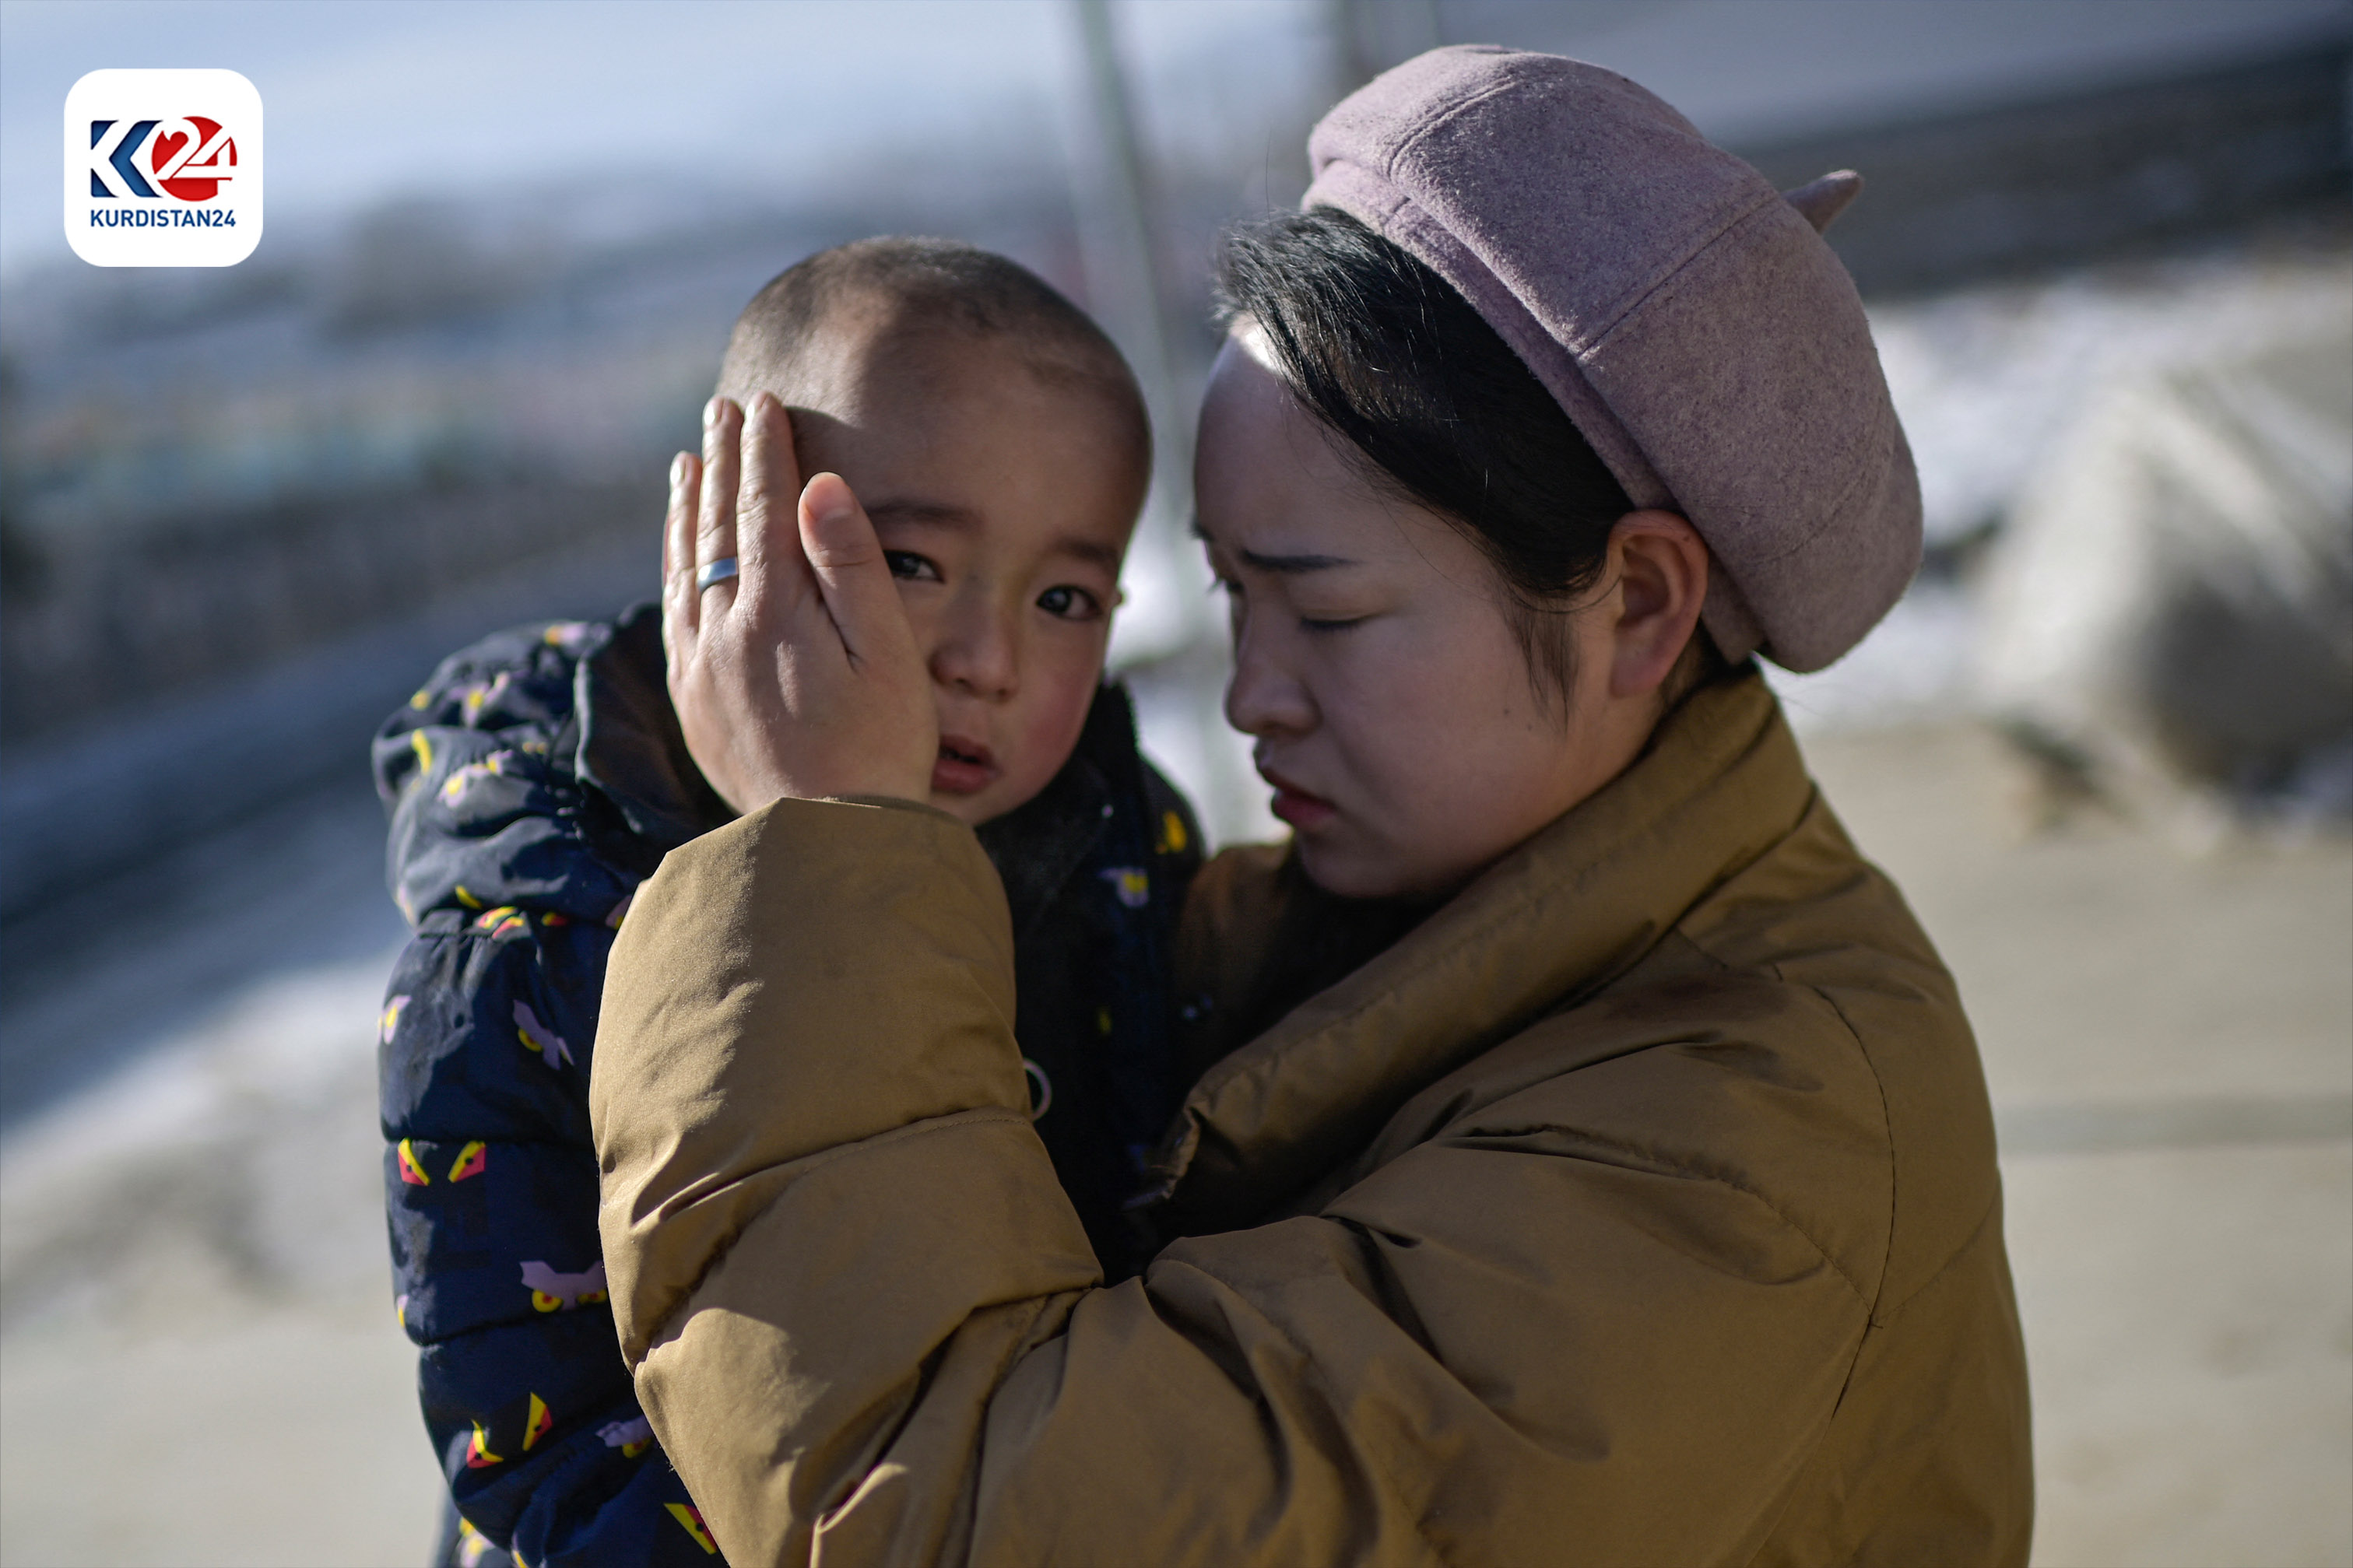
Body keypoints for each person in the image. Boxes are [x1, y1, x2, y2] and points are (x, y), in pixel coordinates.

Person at [592, 48, 2034, 1566]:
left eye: (1326, 613)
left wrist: (824, 855)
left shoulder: (1738, 1154)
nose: (1248, 697)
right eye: (1229, 595)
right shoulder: (1389, 920)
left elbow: (968, 1517)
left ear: (1640, 605)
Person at [374, 238, 1201, 1567]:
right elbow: (543, 1446)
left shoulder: (1119, 843)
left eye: (1065, 598)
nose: (987, 660)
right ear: (726, 534)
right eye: (911, 564)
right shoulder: (537, 926)